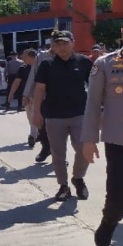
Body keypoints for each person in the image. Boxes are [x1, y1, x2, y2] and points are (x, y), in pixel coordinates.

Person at [82, 14, 123, 246]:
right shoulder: (104, 64)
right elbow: (92, 104)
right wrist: (89, 139)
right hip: (119, 141)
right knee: (120, 195)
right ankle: (109, 221)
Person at [33, 30, 93, 201]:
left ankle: (78, 178)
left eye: (65, 42)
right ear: (52, 46)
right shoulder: (47, 64)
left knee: (83, 149)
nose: (61, 46)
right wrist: (36, 112)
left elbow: (95, 88)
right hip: (54, 116)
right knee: (58, 154)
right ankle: (63, 186)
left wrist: (100, 110)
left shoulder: (84, 62)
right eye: (57, 43)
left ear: (73, 43)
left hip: (80, 114)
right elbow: (39, 90)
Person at [23, 43, 56, 162]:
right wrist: (26, 94)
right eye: (56, 42)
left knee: (59, 128)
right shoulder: (42, 56)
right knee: (42, 126)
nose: (59, 46)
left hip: (61, 98)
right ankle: (46, 148)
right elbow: (33, 75)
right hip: (43, 96)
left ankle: (58, 156)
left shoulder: (68, 56)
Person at [7, 49, 39, 148]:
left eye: (25, 56)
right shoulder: (23, 68)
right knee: (30, 117)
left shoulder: (41, 66)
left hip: (39, 96)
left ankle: (32, 136)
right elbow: (17, 81)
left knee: (35, 116)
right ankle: (36, 133)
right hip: (26, 96)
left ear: (32, 57)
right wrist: (11, 94)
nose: (22, 58)